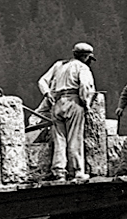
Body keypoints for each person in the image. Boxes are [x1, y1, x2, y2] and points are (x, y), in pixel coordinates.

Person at [38, 42, 97, 181]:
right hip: (73, 101)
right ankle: (77, 171)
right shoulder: (82, 67)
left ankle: (59, 171)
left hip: (57, 103)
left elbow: (42, 81)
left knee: (59, 138)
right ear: (85, 57)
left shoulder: (59, 65)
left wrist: (47, 94)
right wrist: (86, 104)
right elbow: (85, 87)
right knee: (74, 137)